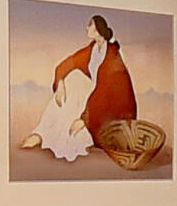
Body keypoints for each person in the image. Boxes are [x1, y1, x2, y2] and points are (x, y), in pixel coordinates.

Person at [20, 14, 139, 164]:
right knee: (74, 76)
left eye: (90, 25)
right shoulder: (93, 49)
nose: (87, 28)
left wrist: (84, 120)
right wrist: (60, 83)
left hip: (111, 110)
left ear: (97, 31)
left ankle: (48, 135)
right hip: (96, 98)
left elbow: (106, 92)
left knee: (77, 101)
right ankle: (41, 133)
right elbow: (68, 63)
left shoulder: (112, 55)